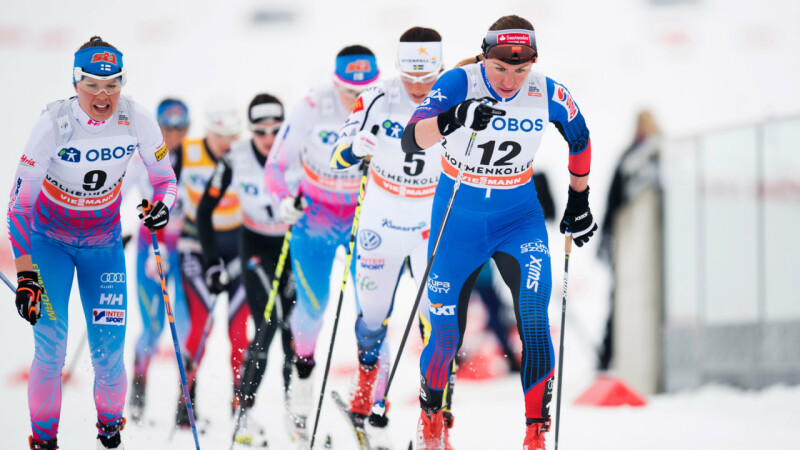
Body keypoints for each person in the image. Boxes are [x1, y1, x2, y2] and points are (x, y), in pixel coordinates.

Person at [400, 15, 597, 450]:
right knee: (445, 334)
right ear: (484, 57)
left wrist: (579, 200)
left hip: (517, 220)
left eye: (520, 70)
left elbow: (580, 137)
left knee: (534, 318)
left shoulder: (546, 91)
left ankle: (535, 433)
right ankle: (432, 421)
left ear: (533, 63)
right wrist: (454, 118)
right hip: (457, 222)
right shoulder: (459, 82)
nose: (509, 81)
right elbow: (411, 139)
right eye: (500, 68)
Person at [7, 36, 177, 450]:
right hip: (51, 244)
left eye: (112, 84)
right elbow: (18, 207)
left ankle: (110, 431)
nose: (103, 96)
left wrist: (162, 208)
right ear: (76, 82)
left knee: (108, 354)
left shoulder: (137, 119)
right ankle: (44, 441)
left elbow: (165, 181)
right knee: (51, 349)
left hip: (103, 246)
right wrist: (26, 277)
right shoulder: (53, 124)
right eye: (93, 85)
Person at [329, 27, 448, 448]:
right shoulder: (378, 96)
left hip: (429, 224)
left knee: (439, 322)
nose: (418, 86)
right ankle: (365, 388)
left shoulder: (454, 95)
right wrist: (355, 149)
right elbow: (337, 155)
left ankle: (437, 421)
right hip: (381, 222)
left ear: (440, 68)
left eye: (426, 76)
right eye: (410, 76)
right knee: (373, 316)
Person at [263, 44, 379, 443]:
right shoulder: (311, 107)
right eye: (349, 91)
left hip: (364, 212)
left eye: (364, 90)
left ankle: (369, 401)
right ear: (335, 83)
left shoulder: (385, 102)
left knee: (373, 307)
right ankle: (301, 389)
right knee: (313, 305)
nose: (357, 99)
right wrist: (284, 199)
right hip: (316, 215)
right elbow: (276, 166)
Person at [195, 93, 295, 445]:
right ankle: (244, 411)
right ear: (249, 130)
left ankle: (295, 413)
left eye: (275, 130)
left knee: (295, 331)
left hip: (292, 247)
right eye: (260, 131)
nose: (268, 138)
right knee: (268, 323)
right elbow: (204, 211)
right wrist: (211, 263)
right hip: (255, 246)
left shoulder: (297, 152)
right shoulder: (235, 157)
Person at [174, 98, 248, 428]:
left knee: (239, 330)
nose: (226, 144)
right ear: (207, 132)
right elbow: (157, 185)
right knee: (201, 325)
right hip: (196, 246)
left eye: (233, 137)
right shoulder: (188, 152)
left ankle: (240, 404)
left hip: (237, 248)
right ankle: (185, 402)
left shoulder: (245, 154)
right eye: (220, 137)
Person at [127, 98, 191, 424]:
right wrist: (112, 232)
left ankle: (186, 402)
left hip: (185, 248)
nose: (175, 135)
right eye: (168, 128)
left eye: (181, 128)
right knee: (153, 325)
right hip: (150, 246)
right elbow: (123, 193)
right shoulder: (142, 156)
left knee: (186, 324)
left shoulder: (193, 156)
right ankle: (138, 384)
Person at [596, 110, 660, 371]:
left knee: (626, 297)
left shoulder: (645, 158)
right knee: (622, 296)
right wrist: (606, 236)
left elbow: (612, 200)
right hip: (630, 241)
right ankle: (610, 354)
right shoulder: (635, 159)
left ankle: (611, 354)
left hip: (643, 242)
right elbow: (613, 200)